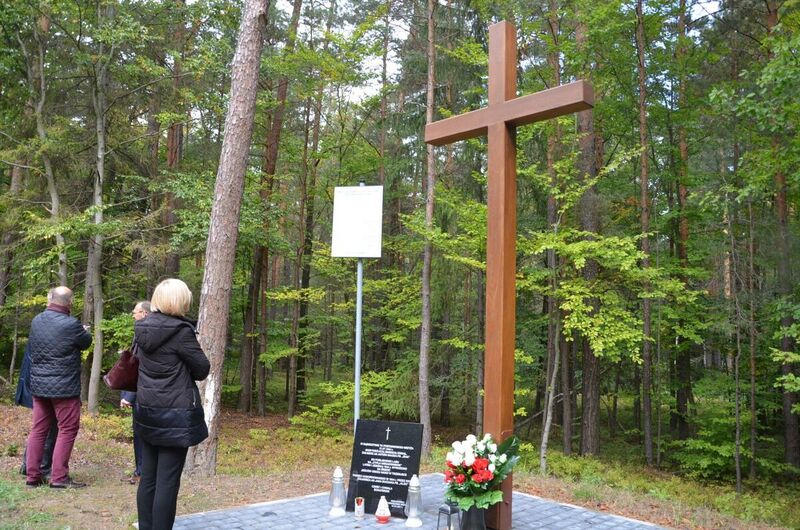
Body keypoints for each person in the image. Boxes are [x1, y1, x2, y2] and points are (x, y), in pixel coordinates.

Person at [134, 278, 209, 530]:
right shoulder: (181, 332)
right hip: (175, 415)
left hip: (146, 411)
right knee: (167, 481)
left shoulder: (142, 328)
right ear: (180, 301)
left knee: (149, 479)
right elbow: (202, 369)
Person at [26, 286, 92, 489]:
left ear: (50, 300)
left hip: (38, 385)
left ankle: (32, 476)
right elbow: (85, 343)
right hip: (64, 388)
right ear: (70, 303)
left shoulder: (37, 320)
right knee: (67, 429)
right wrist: (84, 331)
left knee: (38, 430)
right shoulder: (72, 325)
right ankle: (59, 478)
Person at [15, 342, 58, 480]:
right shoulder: (46, 330)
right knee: (46, 426)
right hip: (43, 384)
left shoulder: (40, 326)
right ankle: (40, 467)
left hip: (40, 382)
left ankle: (30, 465)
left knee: (42, 427)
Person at [120, 300, 151, 484]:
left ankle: (142, 472)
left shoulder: (144, 334)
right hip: (148, 393)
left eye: (136, 312)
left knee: (141, 434)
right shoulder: (147, 332)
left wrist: (128, 395)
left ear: (145, 314)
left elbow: (137, 366)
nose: (133, 315)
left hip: (142, 394)